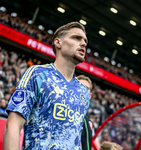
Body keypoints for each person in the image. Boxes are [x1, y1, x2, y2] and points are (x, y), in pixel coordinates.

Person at [3, 22, 90, 150]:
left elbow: (76, 137)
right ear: (58, 43)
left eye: (85, 41)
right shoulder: (37, 74)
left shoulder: (84, 91)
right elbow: (13, 125)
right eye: (76, 38)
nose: (83, 43)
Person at [76, 74, 94, 150]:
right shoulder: (63, 112)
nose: (83, 90)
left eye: (86, 88)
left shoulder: (89, 123)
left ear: (90, 96)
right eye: (80, 86)